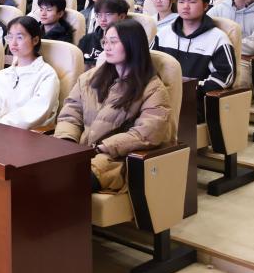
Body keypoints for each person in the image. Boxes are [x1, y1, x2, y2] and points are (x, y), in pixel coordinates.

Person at [54, 19, 172, 192]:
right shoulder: (90, 78)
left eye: (114, 42)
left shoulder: (153, 88)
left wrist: (103, 147)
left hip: (114, 159)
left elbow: (148, 132)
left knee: (65, 184)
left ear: (133, 45)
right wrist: (66, 141)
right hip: (80, 150)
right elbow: (70, 113)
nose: (107, 47)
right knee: (35, 174)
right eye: (105, 42)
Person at [154, 0, 236, 119]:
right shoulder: (163, 33)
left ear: (205, 5)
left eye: (192, 2)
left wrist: (189, 87)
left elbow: (225, 78)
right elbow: (149, 64)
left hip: (193, 100)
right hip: (160, 96)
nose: (185, 6)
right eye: (181, 1)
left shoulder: (218, 38)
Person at [0, 16, 59, 129]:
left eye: (19, 37)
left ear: (35, 40)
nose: (13, 43)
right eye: (10, 37)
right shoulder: (3, 74)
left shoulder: (47, 75)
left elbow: (35, 113)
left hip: (26, 135)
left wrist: (0, 127)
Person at [79, 0, 129, 67]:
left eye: (108, 14)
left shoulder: (127, 42)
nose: (103, 19)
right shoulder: (87, 39)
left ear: (122, 17)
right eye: (99, 15)